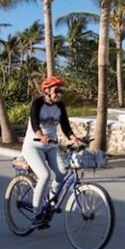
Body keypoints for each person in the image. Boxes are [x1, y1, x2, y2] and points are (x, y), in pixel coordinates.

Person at [22, 76, 83, 228]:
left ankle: (51, 198)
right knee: (45, 175)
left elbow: (65, 127)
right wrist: (41, 136)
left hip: (51, 146)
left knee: (62, 173)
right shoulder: (38, 103)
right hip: (33, 146)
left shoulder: (60, 106)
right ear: (47, 91)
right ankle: (36, 214)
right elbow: (35, 123)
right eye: (56, 90)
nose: (59, 94)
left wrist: (74, 138)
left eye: (61, 91)